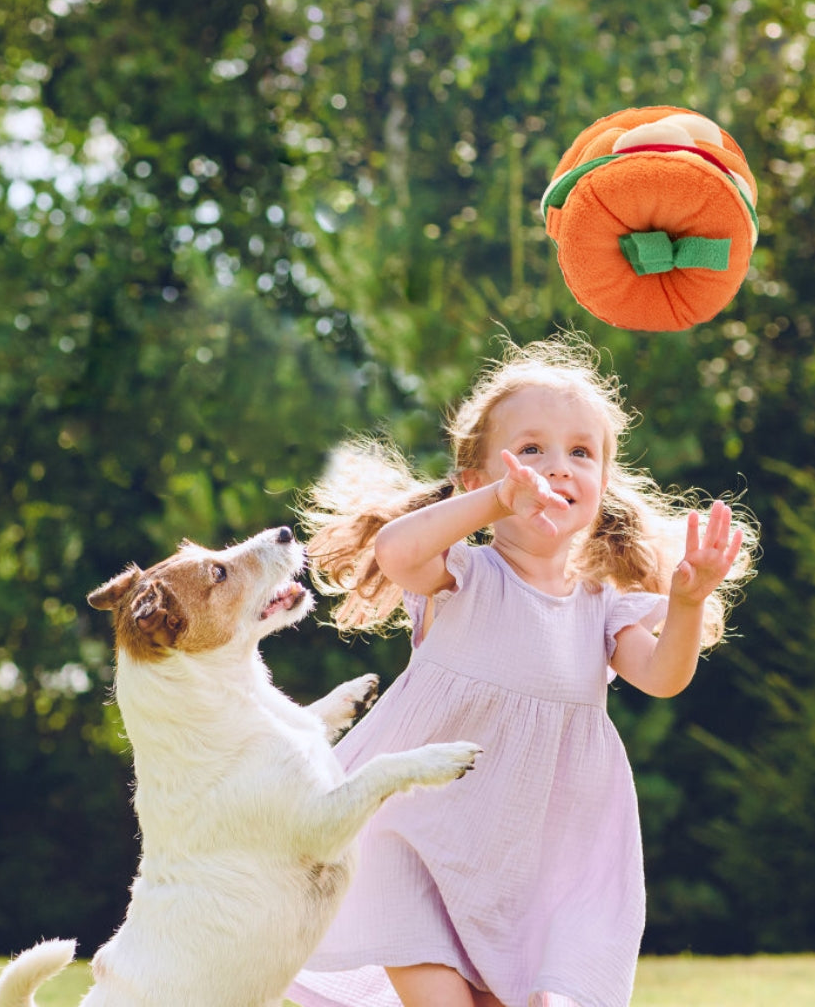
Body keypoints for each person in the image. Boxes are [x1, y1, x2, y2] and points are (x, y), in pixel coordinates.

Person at [287, 335, 756, 1007]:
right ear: (478, 479)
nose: (556, 467)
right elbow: (395, 550)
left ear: (602, 485)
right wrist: (499, 503)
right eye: (530, 449)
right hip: (418, 844)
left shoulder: (602, 608)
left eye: (580, 452)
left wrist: (687, 602)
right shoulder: (463, 576)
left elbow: (663, 676)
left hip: (544, 868)